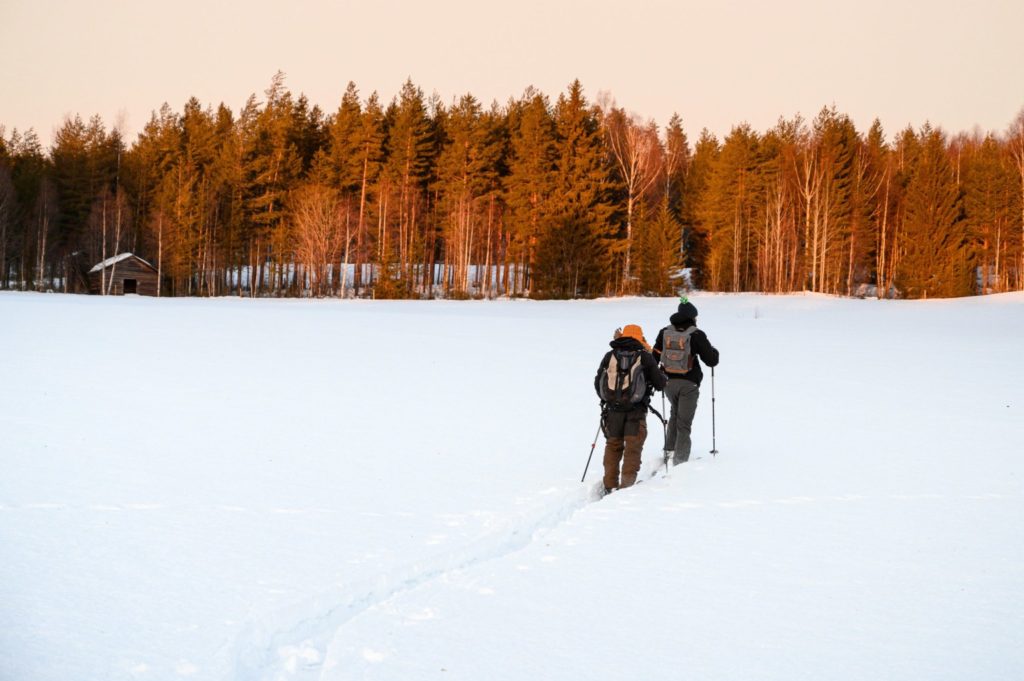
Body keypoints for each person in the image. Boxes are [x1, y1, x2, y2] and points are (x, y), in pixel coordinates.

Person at [594, 324, 666, 493]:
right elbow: (660, 384)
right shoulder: (644, 357)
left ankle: (609, 485)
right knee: (633, 446)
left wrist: (607, 400)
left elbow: (598, 382)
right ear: (640, 338)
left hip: (612, 410)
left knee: (613, 445)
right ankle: (626, 487)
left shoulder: (609, 355)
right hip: (636, 410)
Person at [652, 297, 719, 465]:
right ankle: (680, 461)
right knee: (684, 422)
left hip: (668, 382)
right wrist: (714, 352)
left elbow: (654, 356)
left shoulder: (664, 332)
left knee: (675, 413)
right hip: (689, 384)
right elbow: (711, 360)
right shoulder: (696, 334)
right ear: (692, 317)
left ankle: (669, 450)